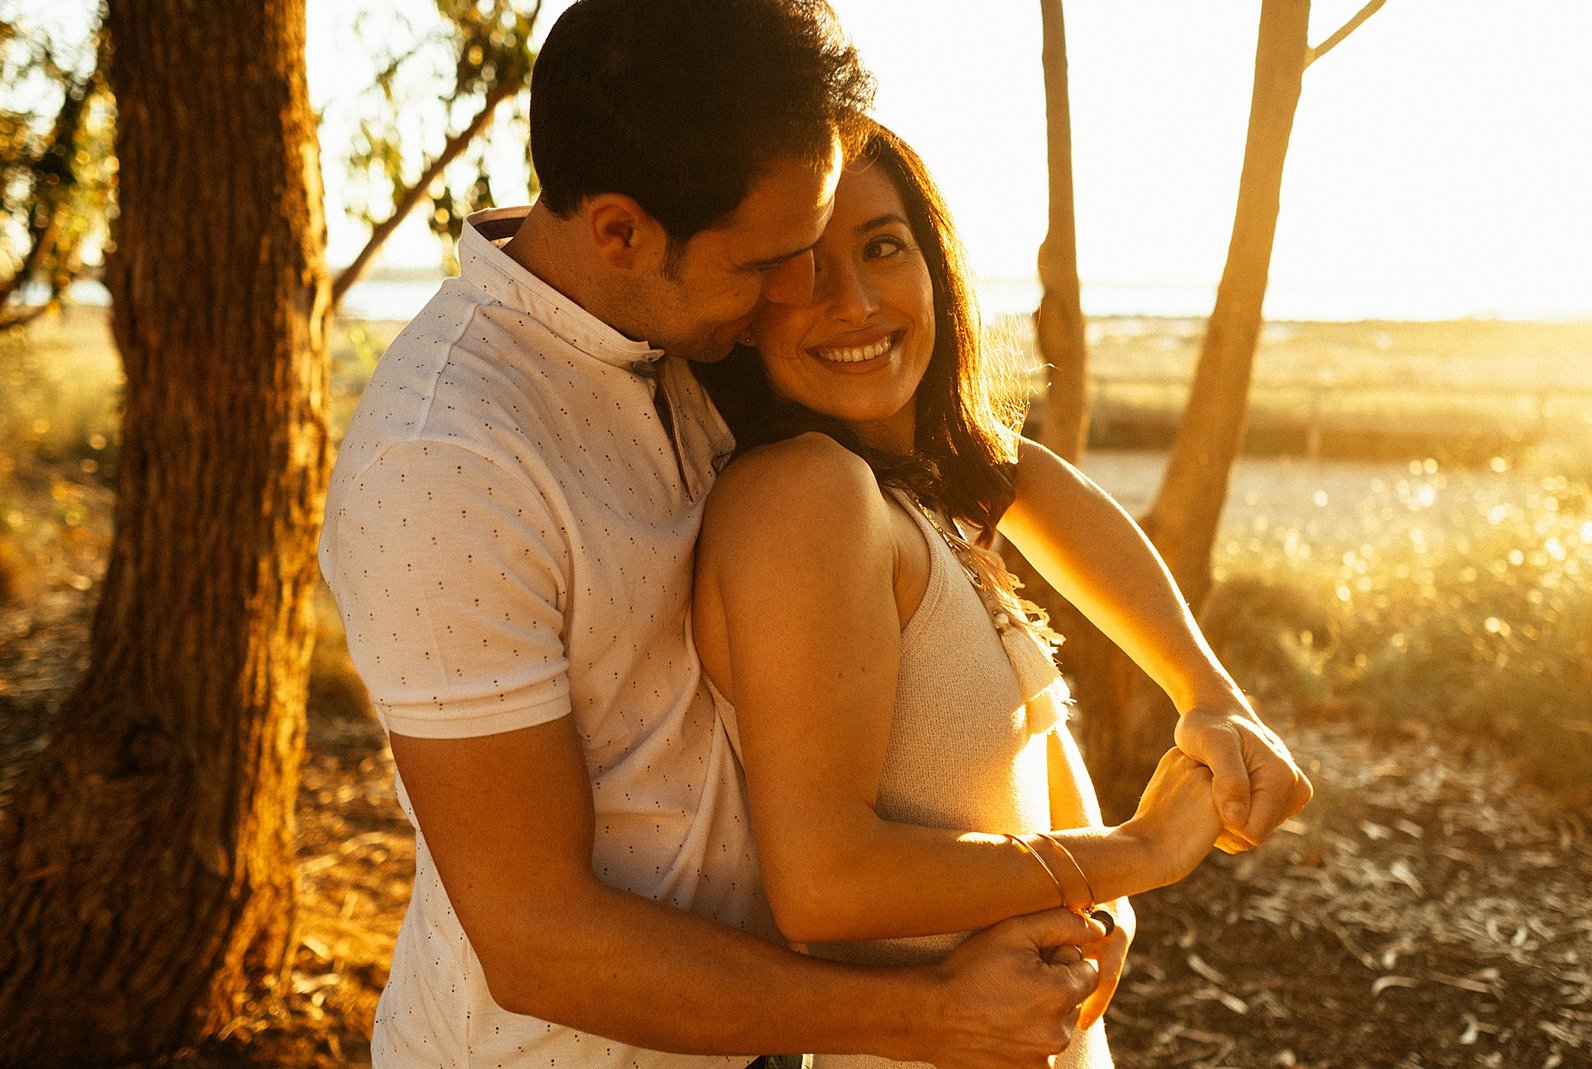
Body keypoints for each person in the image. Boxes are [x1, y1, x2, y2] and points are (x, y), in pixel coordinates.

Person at [320, 2, 1113, 1067]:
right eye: (767, 263)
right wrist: (933, 1013)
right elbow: (535, 939)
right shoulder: (446, 461)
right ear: (618, 231)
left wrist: (1203, 689)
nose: (798, 293)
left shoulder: (675, 319)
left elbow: (976, 459)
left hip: (765, 1033)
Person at [690, 126, 1313, 1068]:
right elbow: (824, 880)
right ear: (742, 306)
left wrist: (1210, 693)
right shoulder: (804, 496)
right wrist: (1137, 852)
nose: (853, 301)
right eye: (800, 268)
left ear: (936, 263)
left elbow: (1023, 476)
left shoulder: (921, 501)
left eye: (883, 246)